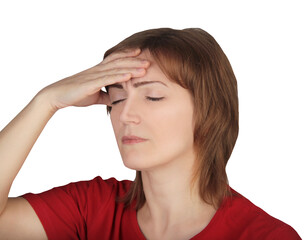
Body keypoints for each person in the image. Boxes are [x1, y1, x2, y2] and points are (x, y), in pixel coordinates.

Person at [0, 28, 301, 240]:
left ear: (210, 110)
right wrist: (46, 101)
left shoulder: (267, 236)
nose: (125, 115)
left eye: (153, 96)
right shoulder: (92, 207)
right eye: (116, 99)